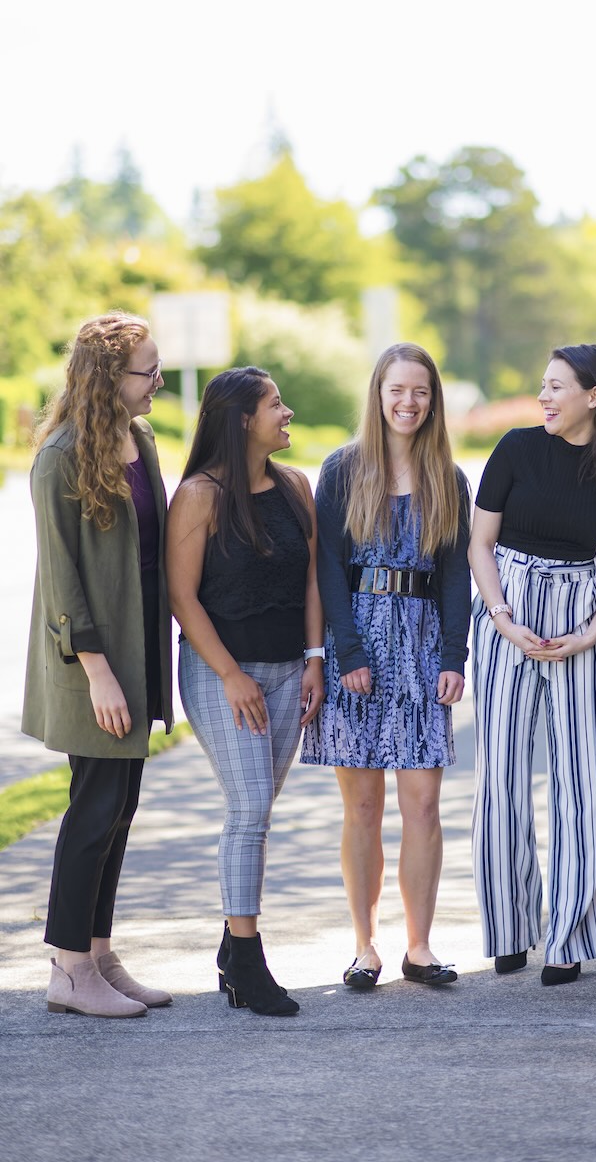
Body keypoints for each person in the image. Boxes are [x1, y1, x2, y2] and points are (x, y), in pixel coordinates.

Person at [469, 344, 596, 986]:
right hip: (507, 608)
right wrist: (501, 617)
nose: (544, 397)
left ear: (593, 395)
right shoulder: (516, 449)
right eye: (542, 386)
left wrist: (590, 635)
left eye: (556, 387)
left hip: (583, 612)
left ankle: (570, 935)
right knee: (500, 777)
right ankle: (510, 927)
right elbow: (480, 543)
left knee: (585, 779)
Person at [300, 343, 470, 989]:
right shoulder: (343, 469)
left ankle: (419, 947)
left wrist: (453, 655)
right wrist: (345, 652)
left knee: (422, 805)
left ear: (433, 400)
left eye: (420, 391)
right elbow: (327, 567)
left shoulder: (448, 477)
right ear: (377, 394)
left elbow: (455, 575)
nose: (408, 402)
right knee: (364, 808)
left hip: (422, 650)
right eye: (397, 389)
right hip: (358, 647)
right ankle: (365, 946)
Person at [23, 312, 173, 1018]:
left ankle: (99, 954)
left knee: (121, 808)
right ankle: (69, 967)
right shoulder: (58, 457)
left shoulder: (141, 440)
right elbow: (61, 578)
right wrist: (99, 672)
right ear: (109, 377)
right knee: (94, 808)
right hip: (93, 664)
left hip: (138, 649)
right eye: (148, 370)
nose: (159, 381)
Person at [167, 367, 324, 1017]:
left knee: (256, 811)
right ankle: (249, 965)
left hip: (290, 672)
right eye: (275, 404)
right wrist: (231, 674)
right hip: (219, 673)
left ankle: (233, 948)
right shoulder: (198, 496)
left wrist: (315, 658)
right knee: (251, 807)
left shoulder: (295, 486)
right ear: (240, 420)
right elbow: (181, 596)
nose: (287, 413)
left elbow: (312, 577)